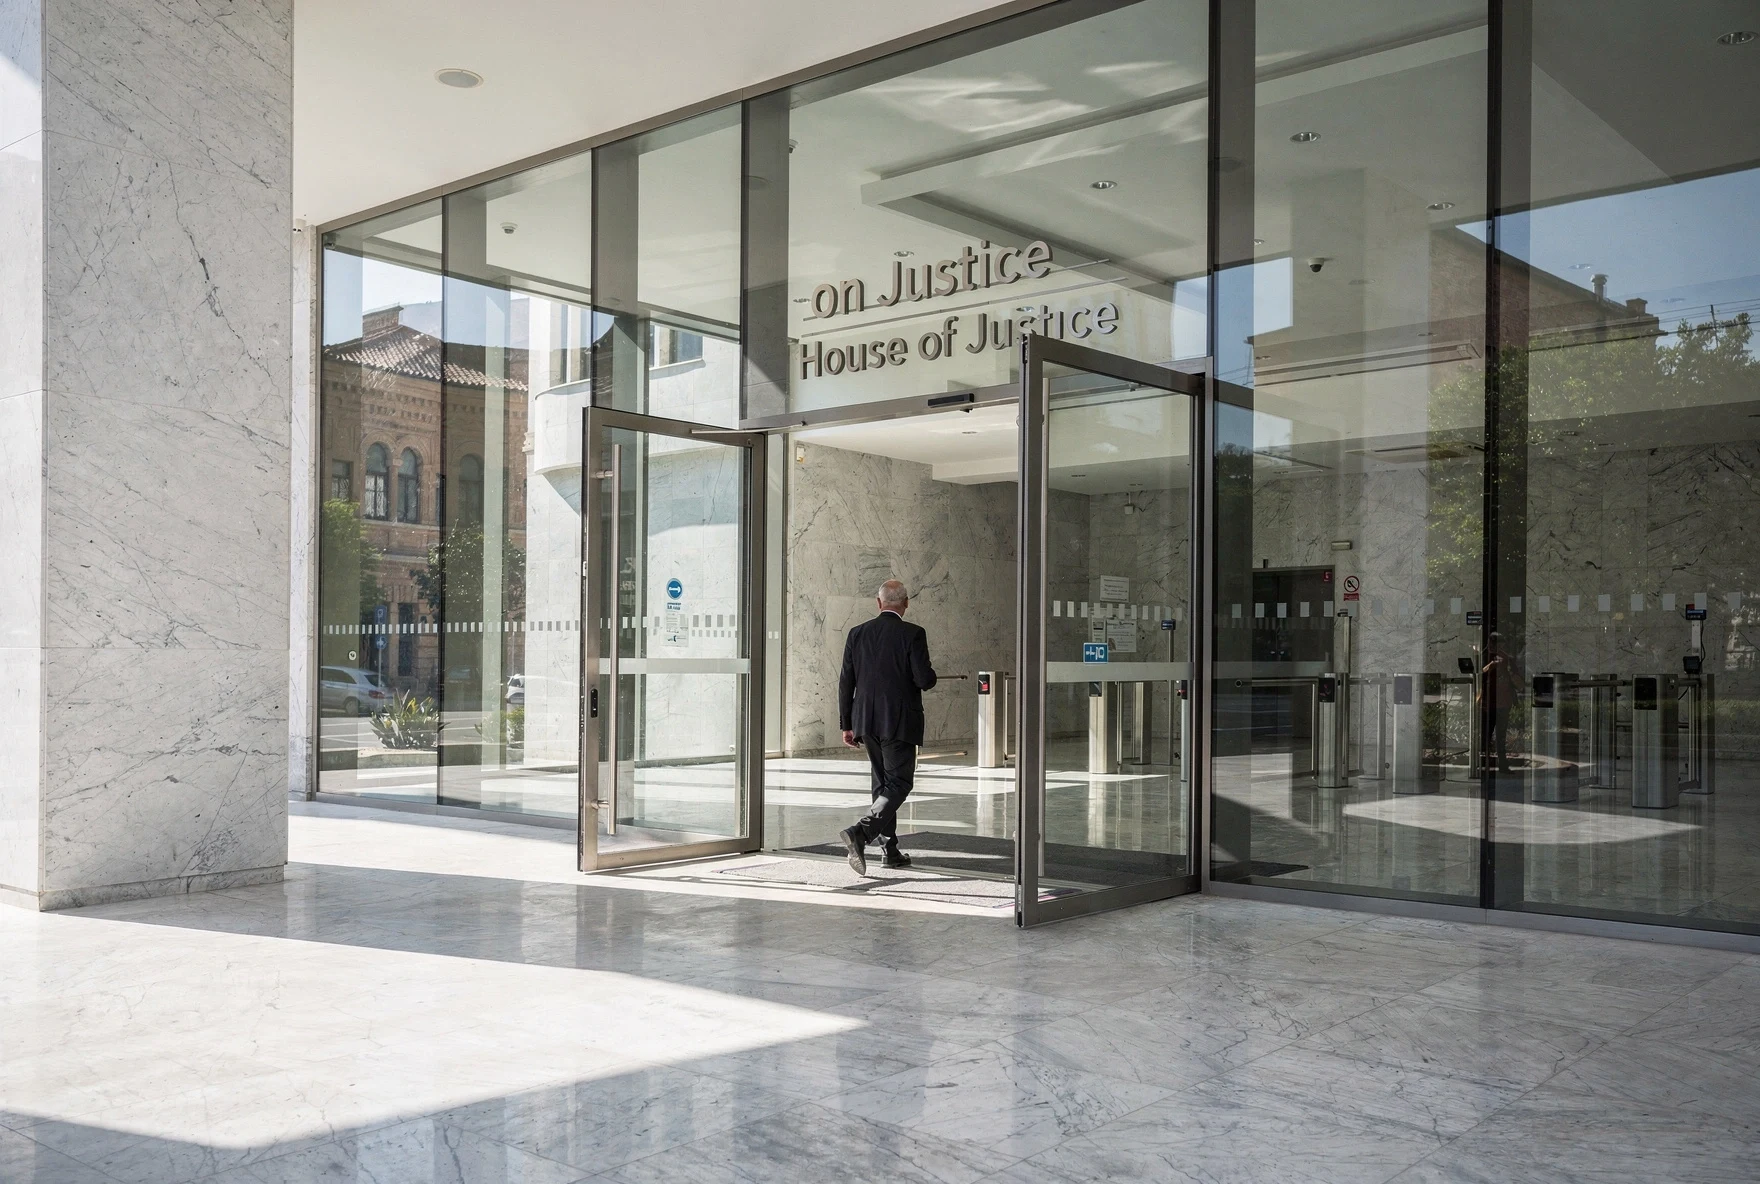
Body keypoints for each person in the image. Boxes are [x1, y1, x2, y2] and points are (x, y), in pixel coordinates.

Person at [837, 579, 937, 875]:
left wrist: (847, 724)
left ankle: (890, 850)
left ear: (878, 603)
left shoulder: (858, 633)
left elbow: (846, 682)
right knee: (900, 783)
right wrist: (929, 675)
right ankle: (860, 832)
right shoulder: (913, 634)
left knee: (882, 784)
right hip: (899, 720)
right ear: (906, 603)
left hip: (865, 721)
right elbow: (924, 679)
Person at [1480, 631, 1523, 773]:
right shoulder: (1487, 657)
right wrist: (1492, 664)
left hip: (1501, 702)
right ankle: (1489, 762)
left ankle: (1501, 763)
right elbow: (1481, 673)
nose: (1494, 647)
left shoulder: (1506, 658)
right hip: (1491, 701)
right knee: (1491, 733)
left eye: (1498, 643)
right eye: (1494, 643)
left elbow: (1516, 678)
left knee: (1499, 734)